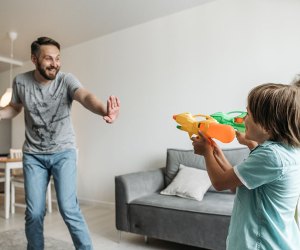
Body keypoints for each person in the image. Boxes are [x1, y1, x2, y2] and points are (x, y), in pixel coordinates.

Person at [0, 37, 120, 250]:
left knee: (68, 208)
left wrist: (104, 110)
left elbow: (85, 96)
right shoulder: (20, 81)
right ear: (34, 59)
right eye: (48, 58)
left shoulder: (66, 80)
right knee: (34, 212)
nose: (55, 63)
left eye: (57, 58)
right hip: (33, 154)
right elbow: (14, 108)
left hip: (63, 151)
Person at [192, 83, 300, 249]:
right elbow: (235, 184)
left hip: (260, 244)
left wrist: (206, 152)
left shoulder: (270, 156)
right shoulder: (287, 151)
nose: (242, 120)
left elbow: (220, 183)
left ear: (268, 125)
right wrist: (215, 151)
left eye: (248, 114)